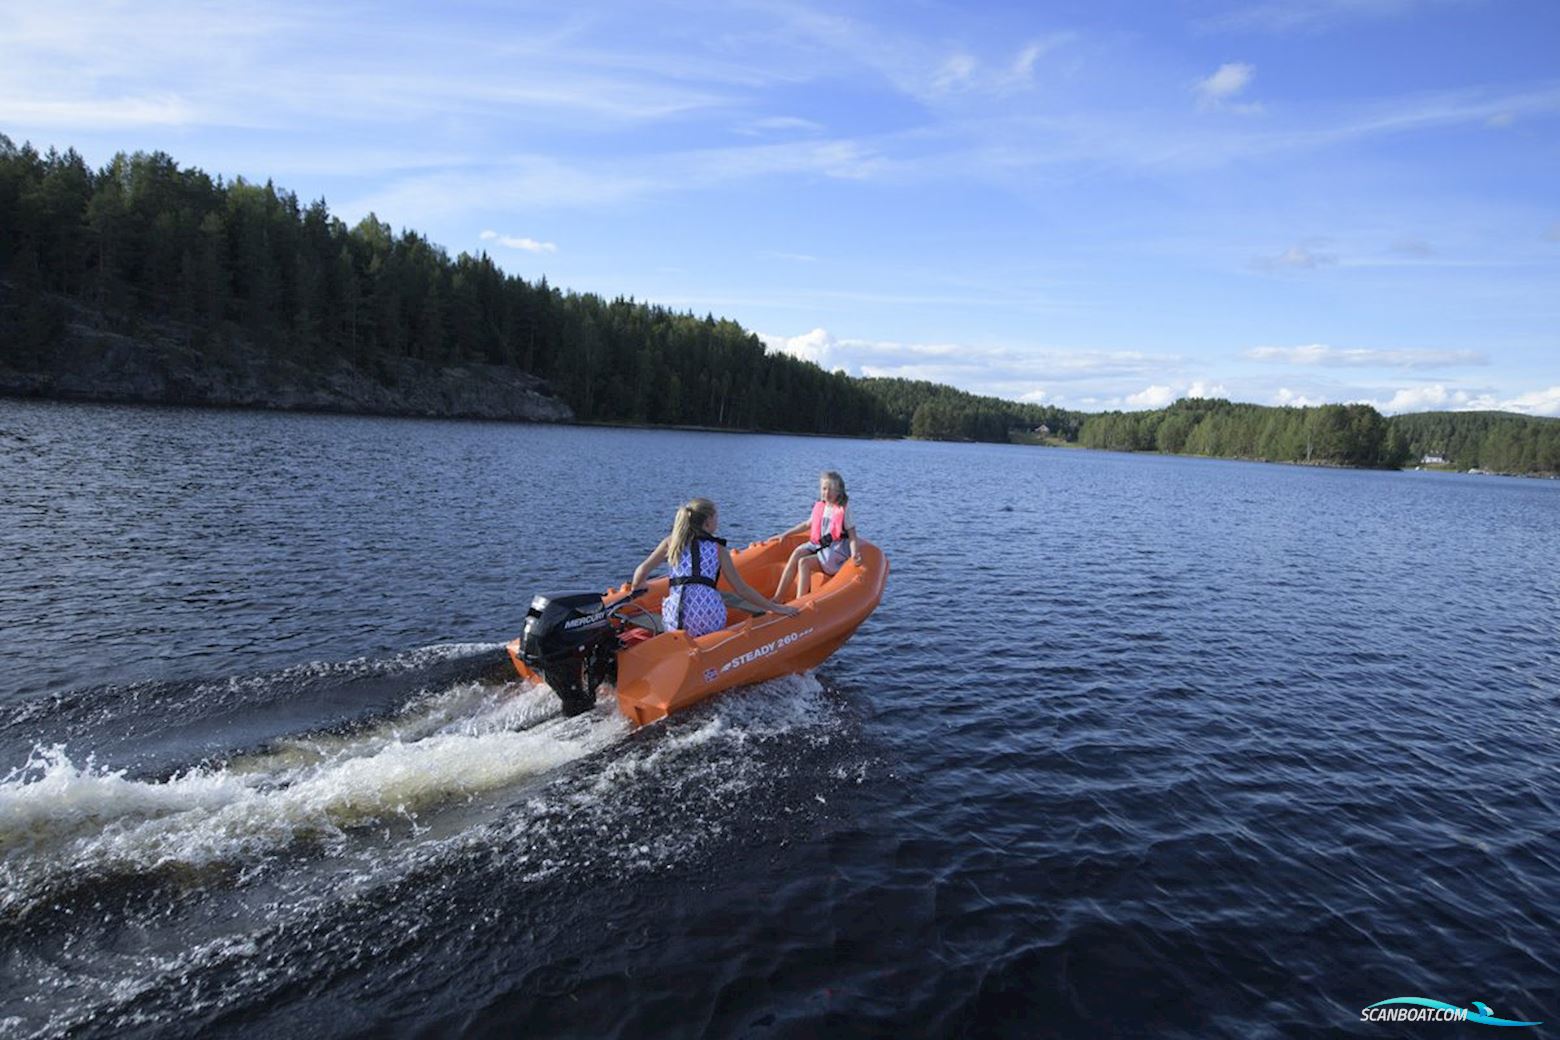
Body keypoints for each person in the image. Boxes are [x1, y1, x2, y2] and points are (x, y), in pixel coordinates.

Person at [631, 498, 798, 637]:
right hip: (709, 617)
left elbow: (641, 571)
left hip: (677, 619)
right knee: (713, 606)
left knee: (675, 611)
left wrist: (638, 586)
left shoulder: (671, 543)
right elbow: (742, 590)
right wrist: (775, 607)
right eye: (716, 517)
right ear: (708, 521)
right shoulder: (718, 548)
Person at [772, 470, 863, 602]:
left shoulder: (844, 509)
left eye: (832, 489)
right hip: (819, 545)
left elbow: (852, 536)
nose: (827, 493)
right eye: (824, 488)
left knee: (803, 563)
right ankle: (778, 597)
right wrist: (785, 534)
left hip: (834, 552)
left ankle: (799, 602)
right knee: (796, 554)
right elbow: (807, 524)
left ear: (839, 491)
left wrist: (855, 554)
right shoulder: (821, 506)